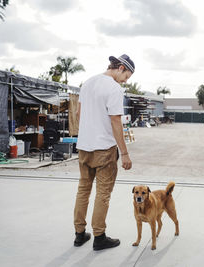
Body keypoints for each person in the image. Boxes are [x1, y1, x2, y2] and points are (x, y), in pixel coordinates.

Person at [73, 54, 135, 251]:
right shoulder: (114, 88)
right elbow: (116, 121)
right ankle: (99, 236)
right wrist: (124, 153)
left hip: (84, 147)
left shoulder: (88, 83)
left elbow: (79, 115)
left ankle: (79, 234)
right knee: (103, 193)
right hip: (104, 149)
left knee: (83, 190)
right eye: (127, 76)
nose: (126, 81)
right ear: (121, 68)